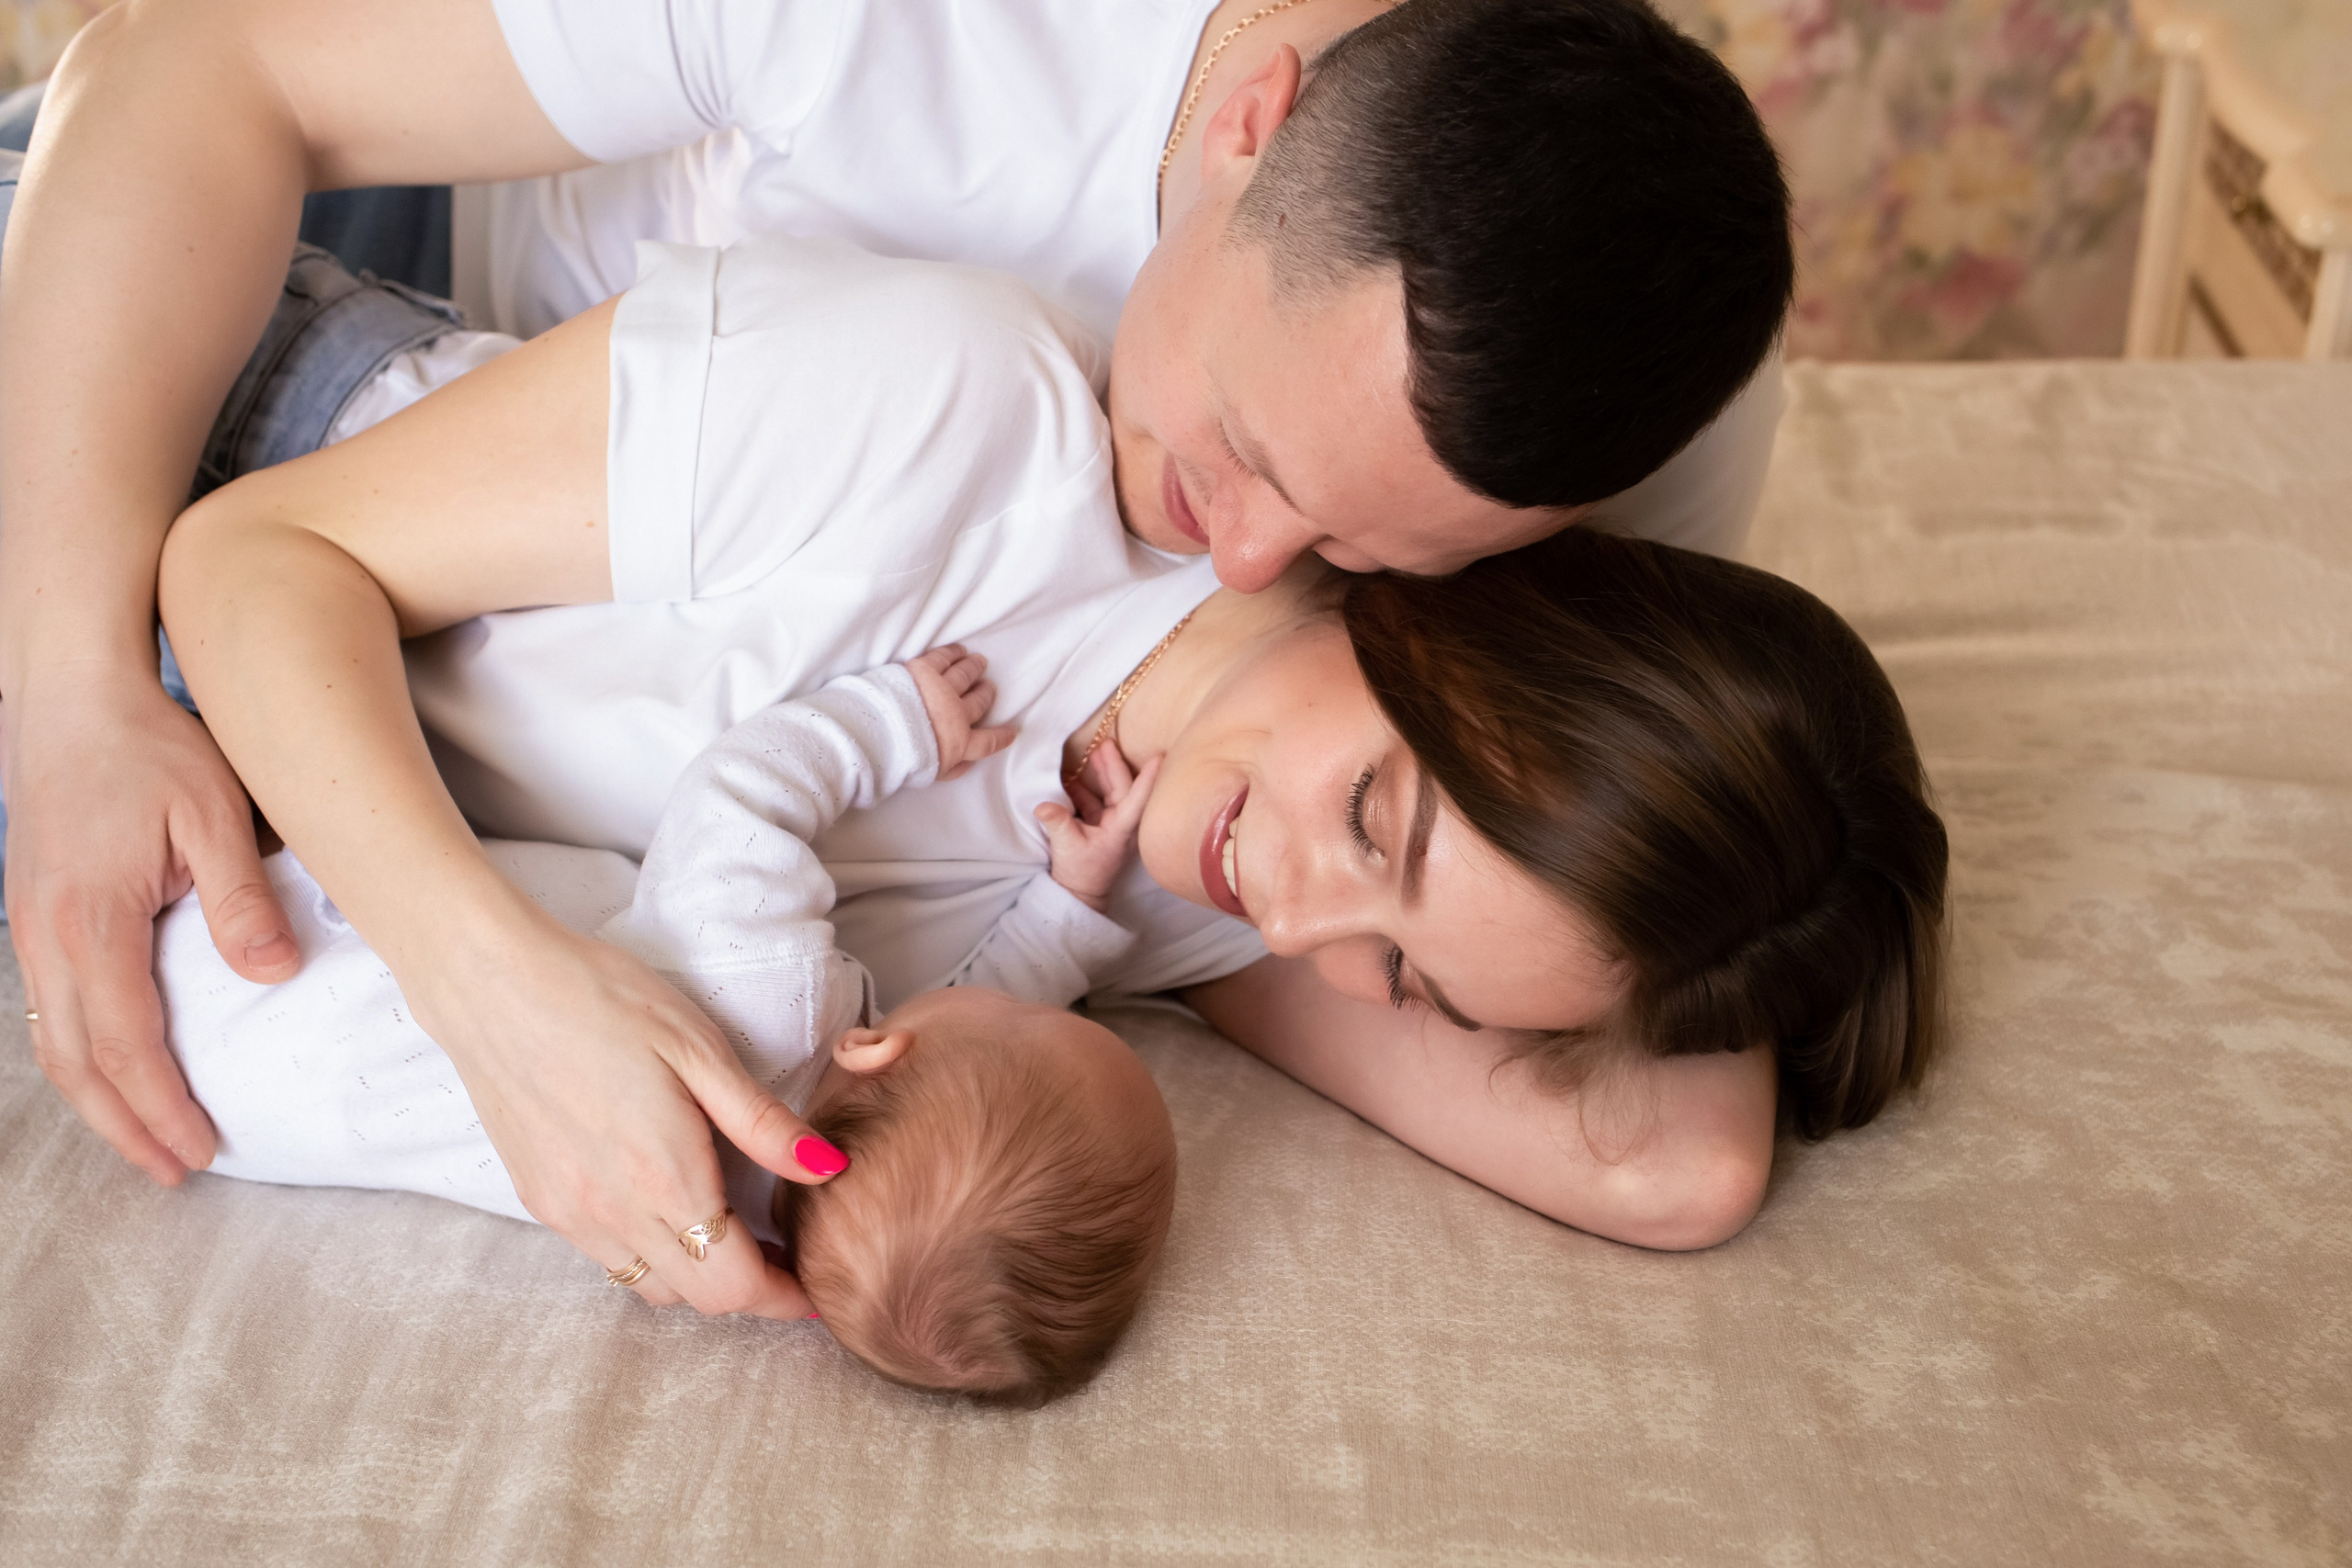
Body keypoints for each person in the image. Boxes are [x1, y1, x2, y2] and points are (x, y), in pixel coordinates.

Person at [0, 0, 1796, 1199]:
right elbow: (188, 70)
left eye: (1385, 558)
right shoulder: (923, 117)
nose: (1239, 557)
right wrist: (72, 686)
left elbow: (1623, 1021)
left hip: (570, 561)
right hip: (351, 261)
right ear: (1254, 124)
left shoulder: (1611, 425)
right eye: (1242, 450)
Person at [149, 233, 1938, 1322]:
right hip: (185, 448)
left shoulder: (1184, 898)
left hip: (243, 797)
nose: (1291, 907)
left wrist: (1742, 893)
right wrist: (504, 1003)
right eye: (1375, 815)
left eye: (1400, 972)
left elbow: (1671, 1168)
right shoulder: (957, 422)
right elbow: (251, 556)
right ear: (1444, 619)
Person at [159, 649, 1179, 1403]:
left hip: (266, 935)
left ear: (875, 1048)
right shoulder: (753, 1223)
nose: (1010, 992)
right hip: (228, 1111)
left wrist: (896, 721)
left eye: (1021, 1013)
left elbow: (739, 794)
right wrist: (1069, 909)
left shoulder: (765, 984)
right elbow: (985, 1038)